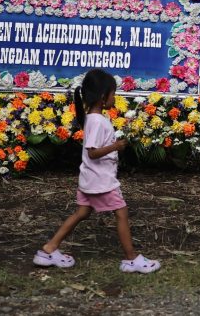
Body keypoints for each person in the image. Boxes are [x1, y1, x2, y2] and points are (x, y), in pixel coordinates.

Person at [33, 69, 161, 274]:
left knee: (82, 212)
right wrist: (116, 146)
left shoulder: (94, 119)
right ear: (103, 97)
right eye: (113, 94)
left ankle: (48, 249)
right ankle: (131, 259)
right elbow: (93, 152)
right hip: (101, 180)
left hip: (90, 178)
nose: (114, 97)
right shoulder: (97, 121)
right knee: (121, 212)